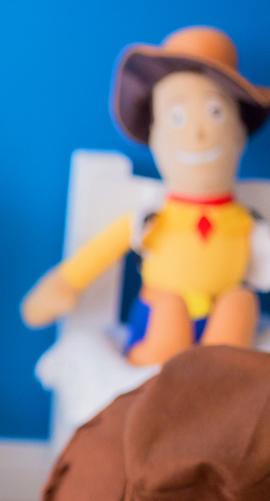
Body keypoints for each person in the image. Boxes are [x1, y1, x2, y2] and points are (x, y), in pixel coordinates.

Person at [21, 26, 270, 366]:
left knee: (240, 301)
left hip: (219, 322)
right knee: (168, 308)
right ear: (155, 133)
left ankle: (217, 374)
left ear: (239, 130)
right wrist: (64, 284)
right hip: (159, 320)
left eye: (215, 113)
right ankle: (161, 367)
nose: (198, 133)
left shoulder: (246, 222)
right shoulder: (150, 219)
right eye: (177, 117)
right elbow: (101, 250)